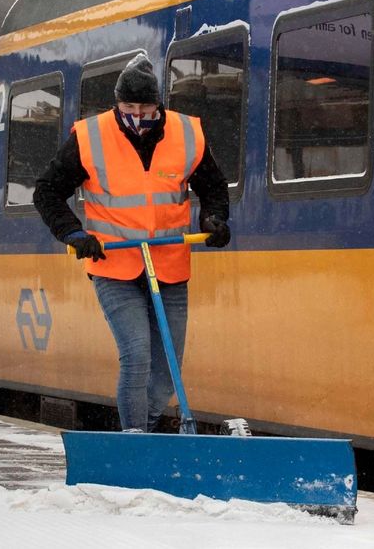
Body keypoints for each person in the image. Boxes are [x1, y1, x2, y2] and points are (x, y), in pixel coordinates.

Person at [33, 52, 230, 433]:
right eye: (129, 106)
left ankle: (144, 432)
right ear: (117, 103)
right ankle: (134, 440)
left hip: (169, 264)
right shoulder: (90, 136)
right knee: (136, 355)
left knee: (167, 370)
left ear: (159, 104)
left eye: (145, 106)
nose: (137, 114)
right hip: (114, 265)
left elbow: (214, 188)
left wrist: (214, 219)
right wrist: (74, 234)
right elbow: (47, 192)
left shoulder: (187, 133)